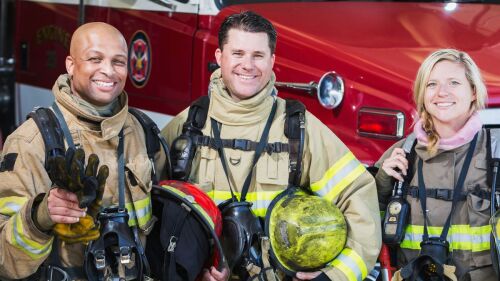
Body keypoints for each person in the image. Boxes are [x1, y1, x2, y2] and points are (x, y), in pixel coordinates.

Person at [162, 11, 381, 281]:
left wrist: (335, 276)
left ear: (272, 61)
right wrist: (188, 270)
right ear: (219, 57)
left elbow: (359, 195)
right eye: (238, 53)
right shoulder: (188, 125)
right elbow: (152, 212)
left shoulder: (297, 128)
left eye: (258, 55)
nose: (248, 65)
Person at [0, 22, 165, 279]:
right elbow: (5, 264)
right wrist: (41, 216)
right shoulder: (31, 141)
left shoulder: (143, 131)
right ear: (70, 64)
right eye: (94, 59)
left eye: (119, 62)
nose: (108, 71)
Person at [375, 49, 494, 280]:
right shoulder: (400, 154)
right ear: (422, 94)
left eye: (454, 82)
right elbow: (363, 227)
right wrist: (381, 185)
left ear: (472, 91)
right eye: (432, 84)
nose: (442, 92)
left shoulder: (495, 154)